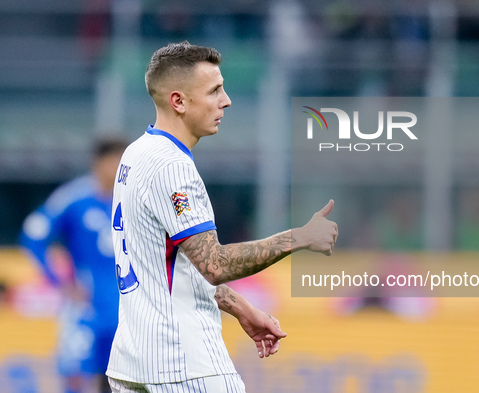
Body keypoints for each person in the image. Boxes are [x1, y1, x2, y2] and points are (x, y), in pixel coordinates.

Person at [106, 41, 338, 393]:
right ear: (179, 101)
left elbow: (175, 264)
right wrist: (300, 236)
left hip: (133, 364)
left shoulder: (136, 153)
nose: (226, 100)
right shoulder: (172, 166)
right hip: (183, 364)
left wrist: (240, 307)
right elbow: (214, 264)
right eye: (214, 90)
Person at [20, 137, 128, 393]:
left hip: (126, 310)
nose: (119, 168)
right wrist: (60, 282)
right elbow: (33, 236)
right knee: (76, 377)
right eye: (114, 161)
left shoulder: (132, 199)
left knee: (120, 381)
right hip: (86, 309)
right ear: (98, 163)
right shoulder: (73, 198)